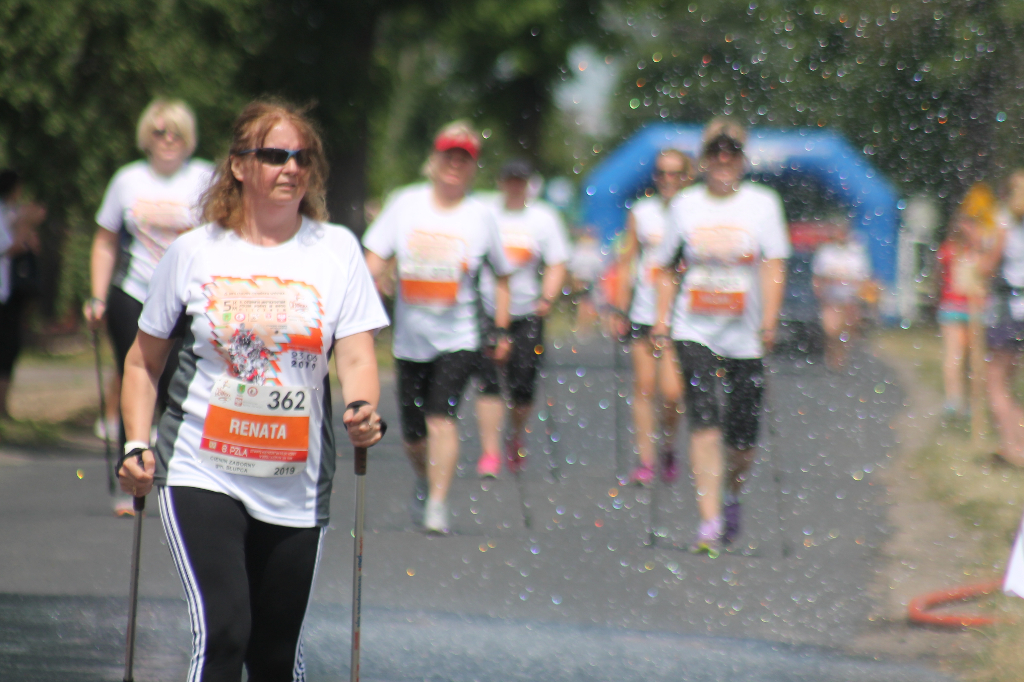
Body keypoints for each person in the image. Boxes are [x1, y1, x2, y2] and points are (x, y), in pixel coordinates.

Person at [117, 99, 389, 681]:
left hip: (296, 480)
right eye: (274, 155)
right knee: (226, 634)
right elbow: (143, 362)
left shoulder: (337, 250)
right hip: (201, 469)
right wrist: (135, 444)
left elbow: (359, 352)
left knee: (272, 655)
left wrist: (363, 408)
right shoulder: (194, 252)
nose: (290, 167)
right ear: (239, 165)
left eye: (301, 157)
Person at [363, 121, 512, 534]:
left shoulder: (481, 215)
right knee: (413, 434)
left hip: (459, 336)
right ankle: (425, 481)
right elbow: (373, 258)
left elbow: (503, 275)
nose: (455, 165)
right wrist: (369, 286)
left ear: (472, 167)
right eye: (449, 156)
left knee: (441, 418)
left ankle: (439, 504)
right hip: (412, 338)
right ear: (435, 159)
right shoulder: (405, 204)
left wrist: (500, 329)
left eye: (464, 159)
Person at [652, 118, 790, 556]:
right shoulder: (686, 206)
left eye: (732, 152)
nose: (724, 159)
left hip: (745, 335)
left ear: (744, 159)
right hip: (694, 328)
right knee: (705, 422)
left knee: (743, 441)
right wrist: (660, 322)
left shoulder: (763, 205)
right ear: (704, 159)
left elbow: (773, 265)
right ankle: (708, 520)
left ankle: (732, 495)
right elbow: (666, 269)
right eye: (716, 152)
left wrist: (769, 321)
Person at [85, 99, 214, 515]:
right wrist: (98, 295)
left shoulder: (204, 176)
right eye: (159, 132)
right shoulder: (127, 180)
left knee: (181, 381)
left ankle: (183, 477)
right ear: (147, 137)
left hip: (186, 297)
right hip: (134, 292)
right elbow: (106, 240)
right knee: (135, 375)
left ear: (188, 137)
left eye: (175, 132)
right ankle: (132, 476)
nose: (167, 140)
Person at [475, 159, 569, 477]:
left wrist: (547, 298)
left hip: (527, 311)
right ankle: (490, 452)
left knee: (522, 386)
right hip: (487, 309)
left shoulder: (543, 218)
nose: (514, 186)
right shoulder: (484, 211)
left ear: (528, 184)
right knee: (488, 381)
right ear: (501, 182)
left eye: (520, 181)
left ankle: (515, 435)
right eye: (509, 180)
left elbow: (557, 262)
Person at [613, 149, 693, 486]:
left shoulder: (695, 212)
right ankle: (646, 460)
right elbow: (627, 259)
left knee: (672, 393)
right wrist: (619, 306)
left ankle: (669, 446)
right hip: (644, 310)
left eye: (675, 174)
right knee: (644, 388)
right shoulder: (642, 212)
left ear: (688, 177)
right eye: (661, 173)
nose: (667, 180)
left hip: (682, 313)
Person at [985, 172, 1024, 466]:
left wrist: (976, 259)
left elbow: (989, 265)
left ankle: (1012, 447)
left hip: (1008, 309)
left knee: (997, 383)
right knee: (1010, 382)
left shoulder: (1005, 224)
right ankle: (1014, 443)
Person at [0, 169, 44, 418]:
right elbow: (12, 246)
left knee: (10, 347)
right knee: (6, 347)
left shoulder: (9, 213)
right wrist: (25, 223)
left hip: (6, 292)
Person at [934, 211, 984, 418]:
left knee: (966, 357)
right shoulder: (954, 250)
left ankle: (962, 400)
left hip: (968, 307)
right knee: (959, 356)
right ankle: (957, 400)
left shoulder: (953, 250)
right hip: (956, 306)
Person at [811, 221, 873, 371]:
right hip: (831, 299)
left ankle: (841, 355)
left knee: (846, 330)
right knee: (831, 329)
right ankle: (832, 354)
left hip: (850, 299)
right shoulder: (826, 252)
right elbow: (818, 276)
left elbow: (864, 277)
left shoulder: (856, 252)